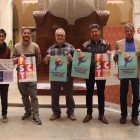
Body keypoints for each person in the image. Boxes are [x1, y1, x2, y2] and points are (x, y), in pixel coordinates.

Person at [76, 24, 111, 124]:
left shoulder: (106, 44)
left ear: (100, 32)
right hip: (90, 73)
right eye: (92, 32)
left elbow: (109, 57)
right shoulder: (85, 45)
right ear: (90, 33)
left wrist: (109, 53)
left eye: (96, 31)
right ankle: (89, 114)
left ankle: (101, 114)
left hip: (101, 73)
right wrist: (79, 52)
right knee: (89, 93)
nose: (94, 33)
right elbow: (82, 57)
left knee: (101, 94)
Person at [43, 28, 76, 121]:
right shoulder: (50, 49)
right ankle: (56, 112)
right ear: (55, 36)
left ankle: (70, 112)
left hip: (68, 76)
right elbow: (45, 62)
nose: (60, 37)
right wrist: (46, 60)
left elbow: (77, 63)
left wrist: (72, 60)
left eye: (62, 35)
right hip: (55, 77)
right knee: (54, 96)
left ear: (65, 36)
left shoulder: (71, 48)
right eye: (58, 35)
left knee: (69, 96)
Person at [12, 27, 42, 125]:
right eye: (24, 33)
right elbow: (12, 60)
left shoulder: (35, 46)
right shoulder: (16, 47)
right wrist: (18, 58)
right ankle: (28, 111)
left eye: (28, 33)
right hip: (21, 75)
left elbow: (38, 60)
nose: (26, 35)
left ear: (30, 34)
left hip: (31, 75)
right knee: (24, 95)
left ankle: (35, 115)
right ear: (22, 34)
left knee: (33, 96)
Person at [114, 23, 140, 126]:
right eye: (127, 31)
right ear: (124, 32)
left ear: (134, 32)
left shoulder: (139, 42)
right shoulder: (119, 43)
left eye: (131, 31)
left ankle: (135, 116)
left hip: (135, 73)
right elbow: (115, 59)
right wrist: (116, 54)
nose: (129, 32)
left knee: (137, 96)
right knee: (123, 95)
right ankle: (123, 115)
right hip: (124, 72)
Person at [0, 29, 11, 123]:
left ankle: (4, 114)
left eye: (3, 36)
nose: (1, 38)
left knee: (4, 96)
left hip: (4, 78)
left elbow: (9, 62)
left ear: (5, 37)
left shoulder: (7, 49)